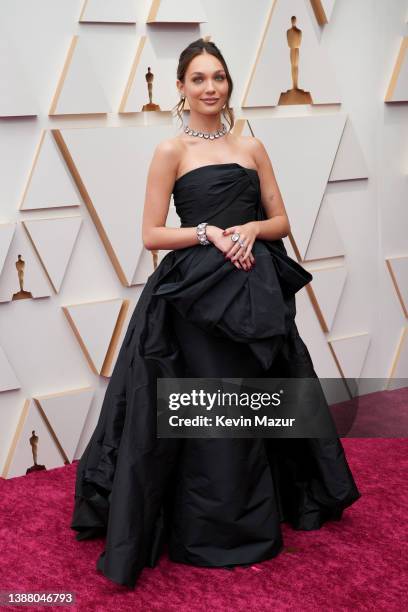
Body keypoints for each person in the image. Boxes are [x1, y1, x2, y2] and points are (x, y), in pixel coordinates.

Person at [71, 38, 361, 589]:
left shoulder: (251, 146)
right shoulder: (170, 152)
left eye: (219, 78)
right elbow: (151, 234)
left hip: (254, 292)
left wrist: (251, 228)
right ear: (180, 88)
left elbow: (282, 223)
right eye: (199, 79)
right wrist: (207, 234)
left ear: (229, 84)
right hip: (194, 299)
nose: (210, 88)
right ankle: (203, 530)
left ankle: (256, 520)